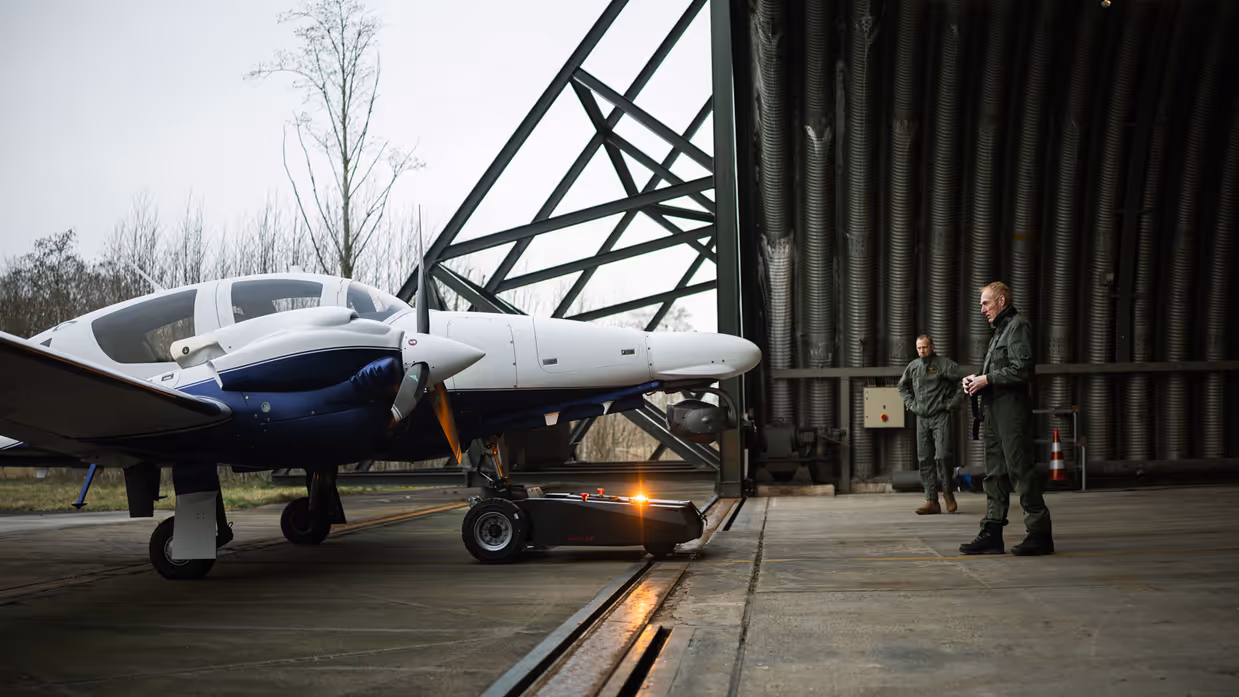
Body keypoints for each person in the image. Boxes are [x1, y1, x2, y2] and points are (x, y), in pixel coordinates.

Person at [959, 281, 1054, 556]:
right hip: (993, 412)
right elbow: (998, 370)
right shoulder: (999, 331)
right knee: (995, 474)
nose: (982, 309)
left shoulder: (1017, 326)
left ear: (1001, 301)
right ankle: (992, 532)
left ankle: (1040, 534)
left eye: (986, 303)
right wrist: (975, 380)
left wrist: (987, 379)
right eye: (981, 304)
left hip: (1011, 413)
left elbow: (1022, 370)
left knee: (1020, 470)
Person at [897, 334, 965, 515]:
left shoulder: (944, 364)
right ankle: (931, 500)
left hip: (940, 415)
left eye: (925, 347)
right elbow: (902, 387)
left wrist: (954, 402)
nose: (922, 351)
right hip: (922, 418)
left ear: (932, 346)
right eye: (919, 348)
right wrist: (911, 404)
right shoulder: (913, 367)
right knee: (924, 459)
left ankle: (948, 492)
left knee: (942, 455)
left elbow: (963, 380)